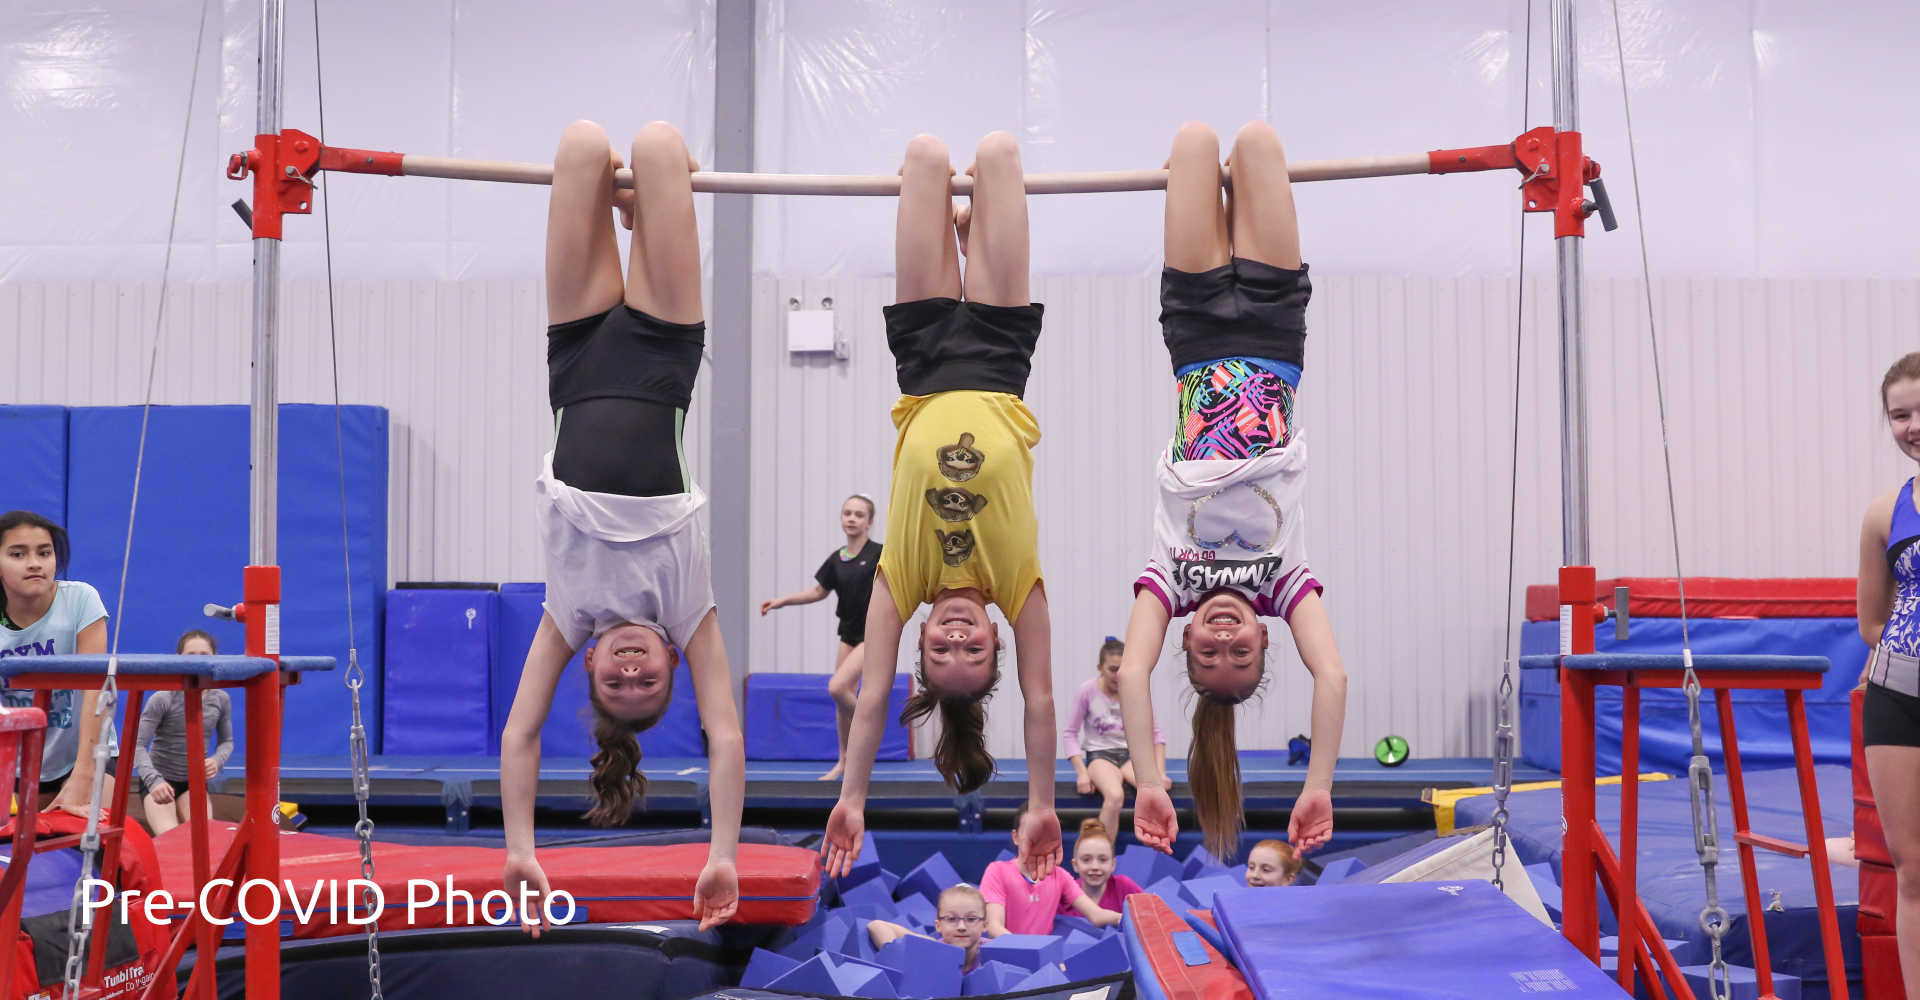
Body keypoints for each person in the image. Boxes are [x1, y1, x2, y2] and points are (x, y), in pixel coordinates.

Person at [500, 120, 744, 934]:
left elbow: (521, 735)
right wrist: (723, 852)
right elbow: (727, 737)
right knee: (660, 143)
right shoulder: (689, 615)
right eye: (649, 683)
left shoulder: (565, 619)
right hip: (665, 357)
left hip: (573, 360)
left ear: (593, 666)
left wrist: (521, 848)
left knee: (578, 145)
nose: (633, 672)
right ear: (675, 664)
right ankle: (646, 203)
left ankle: (635, 204)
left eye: (616, 683)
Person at [822, 131, 1060, 882]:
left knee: (925, 156)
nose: (957, 640)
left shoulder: (901, 579)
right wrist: (1043, 802)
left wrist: (853, 797)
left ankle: (958, 226)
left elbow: (866, 705)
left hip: (922, 361)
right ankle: (969, 228)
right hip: (997, 357)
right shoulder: (1017, 585)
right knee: (996, 154)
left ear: (919, 643)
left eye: (941, 652)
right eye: (975, 651)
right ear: (997, 638)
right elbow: (1043, 699)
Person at [1116, 122, 1348, 862]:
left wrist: (1150, 779)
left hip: (1193, 339)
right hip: (1276, 337)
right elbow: (1333, 675)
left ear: (1183, 638)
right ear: (1262, 642)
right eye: (1240, 657)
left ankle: (1198, 180)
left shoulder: (1169, 584)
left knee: (1190, 142)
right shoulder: (1286, 584)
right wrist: (1320, 783)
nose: (1223, 641)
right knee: (1255, 144)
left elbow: (1129, 672)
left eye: (1208, 655)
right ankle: (1221, 181)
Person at [1857, 350, 1920, 997]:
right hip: (1899, 697)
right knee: (1913, 872)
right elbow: (1872, 623)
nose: (1913, 425)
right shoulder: (1885, 513)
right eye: (1900, 415)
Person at [760, 494, 883, 780]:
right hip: (848, 634)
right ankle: (844, 762)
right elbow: (818, 592)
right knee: (843, 700)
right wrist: (782, 600)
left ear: (870, 522)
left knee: (837, 688)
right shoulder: (838, 558)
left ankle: (874, 724)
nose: (852, 518)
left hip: (873, 635)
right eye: (847, 513)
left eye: (859, 515)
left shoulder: (879, 553)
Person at [0, 509, 115, 816]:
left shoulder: (80, 600)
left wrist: (84, 774)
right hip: (12, 764)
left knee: (91, 843)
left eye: (44, 552)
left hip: (82, 754)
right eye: (17, 554)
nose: (35, 562)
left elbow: (97, 692)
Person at [132, 630, 233, 835]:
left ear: (216, 657)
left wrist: (217, 760)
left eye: (204, 656)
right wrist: (154, 781)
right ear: (179, 660)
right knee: (171, 836)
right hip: (161, 779)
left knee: (204, 836)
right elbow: (137, 744)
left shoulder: (220, 699)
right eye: (191, 656)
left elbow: (227, 741)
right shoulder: (163, 698)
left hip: (194, 781)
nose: (198, 662)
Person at [1064, 637, 1167, 838]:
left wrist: (1161, 773)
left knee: (1156, 791)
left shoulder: (1134, 691)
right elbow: (1070, 734)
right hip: (1100, 756)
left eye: (1121, 669)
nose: (1117, 675)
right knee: (1114, 795)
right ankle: (1101, 854)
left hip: (1131, 756)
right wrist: (1082, 773)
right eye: (1112, 669)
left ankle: (1157, 847)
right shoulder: (1088, 691)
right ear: (1099, 667)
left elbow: (1156, 735)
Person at [982, 805, 1121, 936]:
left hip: (1044, 957)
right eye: (1029, 833)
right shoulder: (997, 871)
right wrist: (1024, 949)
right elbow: (994, 927)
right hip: (1007, 954)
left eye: (1042, 834)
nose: (1036, 840)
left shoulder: (1059, 876)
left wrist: (1127, 918)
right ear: (1016, 837)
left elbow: (1096, 915)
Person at [866, 884, 988, 973]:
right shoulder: (933, 948)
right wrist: (899, 959)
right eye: (951, 919)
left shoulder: (995, 953)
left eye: (971, 919)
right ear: (938, 926)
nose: (961, 927)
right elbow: (876, 926)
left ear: (984, 925)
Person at [1063, 818, 1144, 915]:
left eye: (1103, 860)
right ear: (1075, 865)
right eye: (1086, 860)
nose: (1095, 866)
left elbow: (1151, 916)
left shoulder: (1124, 887)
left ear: (1113, 865)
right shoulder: (1064, 896)